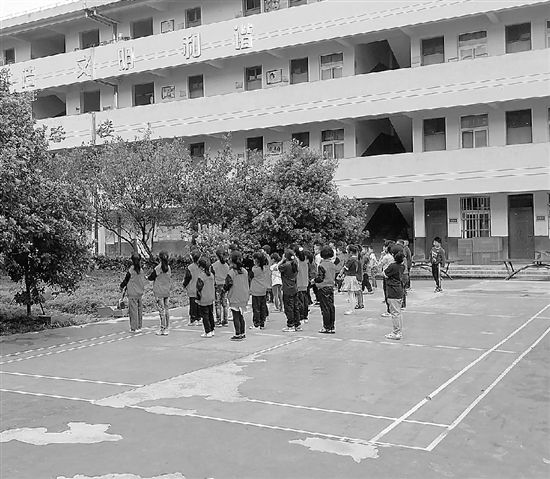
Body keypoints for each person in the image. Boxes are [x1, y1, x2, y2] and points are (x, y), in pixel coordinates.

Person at [224, 250, 250, 341]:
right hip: (244, 296)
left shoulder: (231, 273)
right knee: (241, 315)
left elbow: (228, 284)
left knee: (236, 316)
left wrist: (224, 289)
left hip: (235, 296)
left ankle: (237, 333)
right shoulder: (245, 271)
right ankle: (243, 333)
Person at [147, 250, 171, 335]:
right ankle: (167, 327)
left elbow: (151, 277)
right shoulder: (169, 268)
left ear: (159, 258)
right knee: (167, 309)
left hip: (159, 292)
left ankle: (162, 328)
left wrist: (147, 277)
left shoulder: (158, 268)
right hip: (167, 291)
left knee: (161, 311)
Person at [120, 252, 145, 333]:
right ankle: (139, 326)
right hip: (139, 293)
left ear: (132, 260)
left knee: (133, 311)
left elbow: (126, 280)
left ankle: (134, 328)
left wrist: (121, 286)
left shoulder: (131, 270)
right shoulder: (141, 270)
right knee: (139, 310)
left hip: (132, 294)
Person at [315, 246, 337, 334]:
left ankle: (326, 326)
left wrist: (314, 280)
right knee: (331, 307)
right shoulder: (332, 265)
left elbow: (320, 278)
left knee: (325, 308)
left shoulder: (322, 265)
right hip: (331, 287)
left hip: (323, 288)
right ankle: (332, 326)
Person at [384, 250, 405, 340]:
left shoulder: (392, 266)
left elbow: (385, 273)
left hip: (393, 290)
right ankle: (398, 331)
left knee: (395, 313)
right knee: (398, 312)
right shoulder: (402, 266)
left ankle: (396, 332)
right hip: (399, 289)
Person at [279, 249, 301, 332]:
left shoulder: (286, 265)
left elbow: (278, 267)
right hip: (294, 287)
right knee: (295, 307)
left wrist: (282, 260)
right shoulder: (295, 263)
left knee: (289, 307)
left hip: (287, 288)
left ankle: (290, 324)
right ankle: (297, 324)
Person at [196, 256, 216, 338]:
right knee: (211, 314)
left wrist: (198, 298)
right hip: (211, 297)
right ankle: (212, 329)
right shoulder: (211, 275)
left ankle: (207, 331)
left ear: (201, 267)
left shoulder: (201, 276)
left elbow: (198, 288)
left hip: (204, 299)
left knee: (205, 316)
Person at [249, 251, 268, 330]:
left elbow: (250, 276)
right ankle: (262, 323)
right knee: (262, 307)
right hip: (263, 290)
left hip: (256, 291)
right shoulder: (264, 268)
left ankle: (256, 324)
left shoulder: (254, 269)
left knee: (256, 308)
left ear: (256, 260)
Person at [340, 245, 361, 315]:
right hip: (353, 276)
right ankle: (352, 308)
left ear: (351, 252)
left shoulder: (351, 259)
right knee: (352, 294)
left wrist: (340, 275)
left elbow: (345, 268)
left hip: (349, 277)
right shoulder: (356, 259)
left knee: (351, 294)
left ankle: (351, 309)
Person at [212, 247, 230, 327]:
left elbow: (212, 275)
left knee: (217, 303)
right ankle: (225, 320)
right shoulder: (227, 266)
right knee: (224, 303)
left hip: (217, 285)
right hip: (225, 285)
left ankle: (218, 320)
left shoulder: (214, 265)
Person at [183, 249, 201, 326]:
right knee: (199, 304)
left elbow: (187, 278)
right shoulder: (201, 267)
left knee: (193, 305)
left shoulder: (190, 267)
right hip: (200, 288)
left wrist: (184, 285)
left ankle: (193, 320)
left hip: (192, 289)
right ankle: (199, 318)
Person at [379, 241, 395, 318]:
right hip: (393, 276)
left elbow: (380, 264)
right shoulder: (394, 257)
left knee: (386, 293)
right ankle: (392, 309)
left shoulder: (386, 257)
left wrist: (381, 256)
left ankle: (389, 310)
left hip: (386, 276)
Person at [295, 246, 310, 324]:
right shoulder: (305, 262)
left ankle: (301, 316)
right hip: (305, 283)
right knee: (305, 300)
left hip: (298, 283)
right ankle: (305, 316)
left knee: (300, 301)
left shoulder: (296, 262)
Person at [355, 245, 364, 309]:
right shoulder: (360, 258)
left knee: (358, 291)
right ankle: (360, 303)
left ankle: (359, 304)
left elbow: (356, 269)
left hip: (357, 276)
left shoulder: (357, 260)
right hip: (360, 276)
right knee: (359, 291)